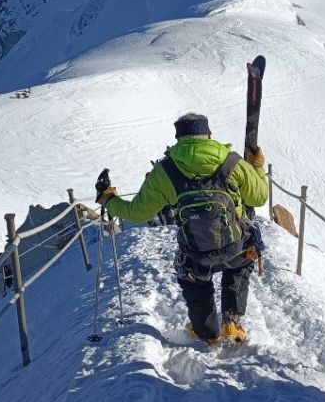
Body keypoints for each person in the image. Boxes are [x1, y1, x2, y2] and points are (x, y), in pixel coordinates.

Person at [96, 113, 267, 344]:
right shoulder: (233, 162)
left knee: (192, 277)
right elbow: (259, 197)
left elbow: (137, 213)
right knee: (240, 263)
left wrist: (108, 199)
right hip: (235, 246)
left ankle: (207, 333)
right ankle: (231, 322)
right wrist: (256, 167)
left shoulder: (165, 171)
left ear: (178, 138)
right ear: (208, 135)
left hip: (196, 251)